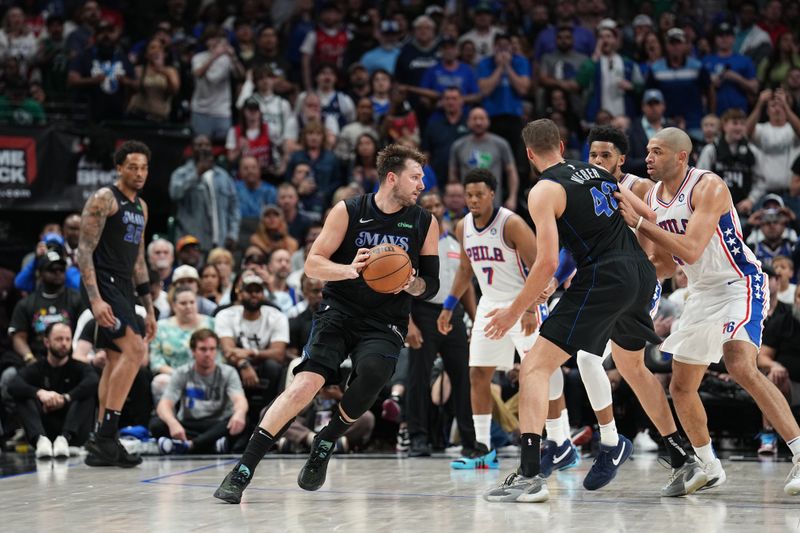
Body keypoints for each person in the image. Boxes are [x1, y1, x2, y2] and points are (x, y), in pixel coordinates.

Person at [214, 143, 440, 503]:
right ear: (392, 178)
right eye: (416, 177)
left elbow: (432, 284)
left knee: (372, 376)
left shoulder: (425, 222)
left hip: (385, 321)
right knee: (304, 386)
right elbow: (312, 264)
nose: (422, 184)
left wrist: (411, 281)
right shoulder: (349, 210)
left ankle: (326, 439)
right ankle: (242, 469)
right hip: (340, 311)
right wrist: (350, 269)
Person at [482, 119, 683, 503]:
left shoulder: (543, 189)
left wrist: (512, 311)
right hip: (641, 275)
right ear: (561, 144)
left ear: (528, 154)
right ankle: (672, 452)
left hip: (603, 278)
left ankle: (529, 475)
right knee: (628, 367)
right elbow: (651, 218)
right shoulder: (598, 172)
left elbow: (544, 262)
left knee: (535, 366)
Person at [616, 126, 800, 497]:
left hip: (739, 283)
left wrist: (639, 222)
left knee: (740, 364)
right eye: (648, 151)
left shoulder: (709, 185)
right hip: (701, 291)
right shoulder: (653, 196)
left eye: (657, 152)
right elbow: (667, 263)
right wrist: (628, 284)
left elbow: (693, 248)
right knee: (681, 384)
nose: (648, 158)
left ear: (681, 156)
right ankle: (708, 465)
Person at [437, 168, 558, 470]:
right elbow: (465, 271)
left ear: (492, 194)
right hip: (490, 305)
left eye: (479, 194)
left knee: (541, 374)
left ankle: (558, 441)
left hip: (524, 303)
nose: (473, 200)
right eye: (469, 195)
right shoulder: (463, 226)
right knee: (478, 373)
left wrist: (530, 309)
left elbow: (540, 267)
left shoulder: (512, 223)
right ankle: (483, 448)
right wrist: (449, 307)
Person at [77, 140, 157, 467]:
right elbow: (83, 251)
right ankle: (107, 434)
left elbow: (138, 260)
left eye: (144, 168)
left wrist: (149, 308)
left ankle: (102, 442)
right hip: (102, 283)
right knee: (136, 351)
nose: (139, 173)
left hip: (124, 286)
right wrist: (95, 300)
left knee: (114, 358)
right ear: (119, 168)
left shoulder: (142, 207)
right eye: (133, 167)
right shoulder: (104, 199)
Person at [405, 190, 477, 458]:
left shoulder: (457, 243)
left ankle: (470, 440)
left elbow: (466, 282)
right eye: (427, 206)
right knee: (418, 378)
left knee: (462, 378)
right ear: (420, 211)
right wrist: (409, 324)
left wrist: (477, 317)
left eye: (436, 205)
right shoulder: (413, 243)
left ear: (443, 208)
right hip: (422, 312)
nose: (433, 209)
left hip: (453, 311)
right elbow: (401, 287)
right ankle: (418, 438)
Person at [150, 329, 248, 455]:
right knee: (156, 424)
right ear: (193, 351)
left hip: (218, 423)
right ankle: (211, 445)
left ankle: (189, 445)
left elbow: (239, 399)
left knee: (243, 421)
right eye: (203, 349)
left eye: (212, 349)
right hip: (190, 424)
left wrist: (239, 413)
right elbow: (164, 404)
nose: (208, 354)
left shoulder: (228, 372)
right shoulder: (182, 372)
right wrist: (172, 422)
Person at [8, 323, 98, 458]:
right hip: (45, 431)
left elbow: (93, 381)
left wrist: (66, 398)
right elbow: (13, 385)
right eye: (59, 339)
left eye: (68, 339)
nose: (64, 343)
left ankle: (64, 439)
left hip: (73, 431)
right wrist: (39, 393)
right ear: (46, 342)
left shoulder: (79, 367)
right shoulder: (37, 367)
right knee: (23, 395)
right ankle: (41, 440)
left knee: (87, 393)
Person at [169, 135, 241, 252]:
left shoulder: (223, 176)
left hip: (221, 243)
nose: (203, 148)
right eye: (199, 145)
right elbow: (174, 193)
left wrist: (233, 234)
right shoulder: (181, 173)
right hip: (192, 244)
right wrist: (197, 173)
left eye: (207, 145)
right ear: (192, 149)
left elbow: (234, 207)